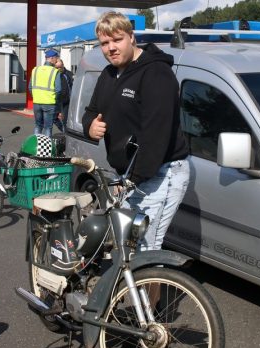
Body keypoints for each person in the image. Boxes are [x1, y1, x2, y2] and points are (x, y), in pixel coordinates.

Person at [81, 11, 190, 252]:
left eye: (117, 40)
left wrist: (133, 181)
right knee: (128, 247)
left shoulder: (156, 73)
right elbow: (91, 110)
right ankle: (130, 290)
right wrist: (90, 126)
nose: (111, 48)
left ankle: (147, 289)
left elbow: (156, 135)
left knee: (144, 249)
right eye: (104, 43)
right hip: (130, 175)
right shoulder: (109, 74)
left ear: (132, 37)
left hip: (159, 173)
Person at [29, 49, 61, 137]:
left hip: (36, 103)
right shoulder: (55, 71)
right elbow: (58, 90)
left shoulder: (35, 70)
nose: (57, 60)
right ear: (51, 58)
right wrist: (54, 100)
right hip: (49, 103)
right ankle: (47, 149)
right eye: (56, 58)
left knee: (38, 125)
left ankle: (36, 146)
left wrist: (36, 97)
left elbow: (30, 87)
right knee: (48, 127)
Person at [53, 58, 74, 133]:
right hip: (56, 101)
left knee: (65, 120)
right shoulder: (54, 74)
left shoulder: (69, 74)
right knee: (53, 118)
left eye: (60, 67)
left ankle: (66, 134)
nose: (59, 69)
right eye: (57, 67)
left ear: (63, 65)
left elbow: (73, 86)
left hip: (66, 101)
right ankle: (64, 130)